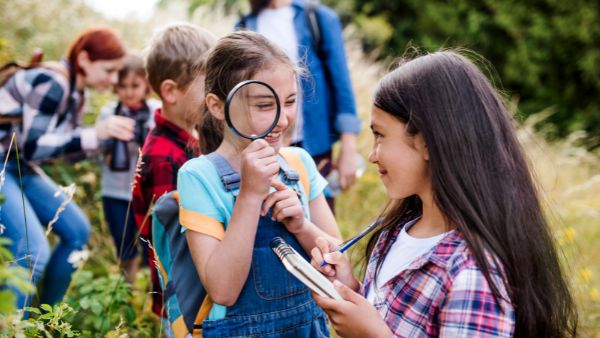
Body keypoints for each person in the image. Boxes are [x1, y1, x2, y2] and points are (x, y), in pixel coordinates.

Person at [310, 51, 578, 337]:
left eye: (380, 135)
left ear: (426, 142)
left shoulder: (472, 274)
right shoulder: (398, 230)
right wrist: (350, 290)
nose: (373, 155)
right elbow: (396, 319)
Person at [177, 31, 341, 336]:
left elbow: (341, 270)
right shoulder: (198, 176)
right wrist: (249, 196)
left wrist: (302, 227)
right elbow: (223, 291)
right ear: (216, 106)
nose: (282, 119)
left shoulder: (299, 164)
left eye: (290, 101)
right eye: (265, 105)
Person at [0, 27, 132, 312]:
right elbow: (35, 146)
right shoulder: (54, 82)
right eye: (108, 71)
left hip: (19, 165)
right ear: (84, 59)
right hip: (4, 163)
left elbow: (57, 150)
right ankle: (9, 326)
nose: (112, 80)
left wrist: (102, 143)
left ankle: (47, 317)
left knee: (77, 231)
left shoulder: (75, 93)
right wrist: (93, 134)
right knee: (31, 250)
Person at [238, 0, 361, 212]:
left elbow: (341, 83)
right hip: (266, 145)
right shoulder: (246, 25)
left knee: (319, 219)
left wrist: (349, 148)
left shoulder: (317, 18)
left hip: (315, 146)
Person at [130, 23, 215, 326]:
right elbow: (174, 242)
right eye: (207, 85)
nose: (213, 95)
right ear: (170, 91)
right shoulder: (165, 157)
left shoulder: (189, 140)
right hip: (186, 304)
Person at [96, 54, 160, 283]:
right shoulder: (109, 113)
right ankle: (126, 293)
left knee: (152, 249)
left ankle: (154, 297)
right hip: (115, 191)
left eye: (135, 85)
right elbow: (98, 153)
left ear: (146, 85)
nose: (129, 92)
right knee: (124, 246)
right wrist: (111, 144)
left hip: (147, 193)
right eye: (122, 86)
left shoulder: (155, 111)